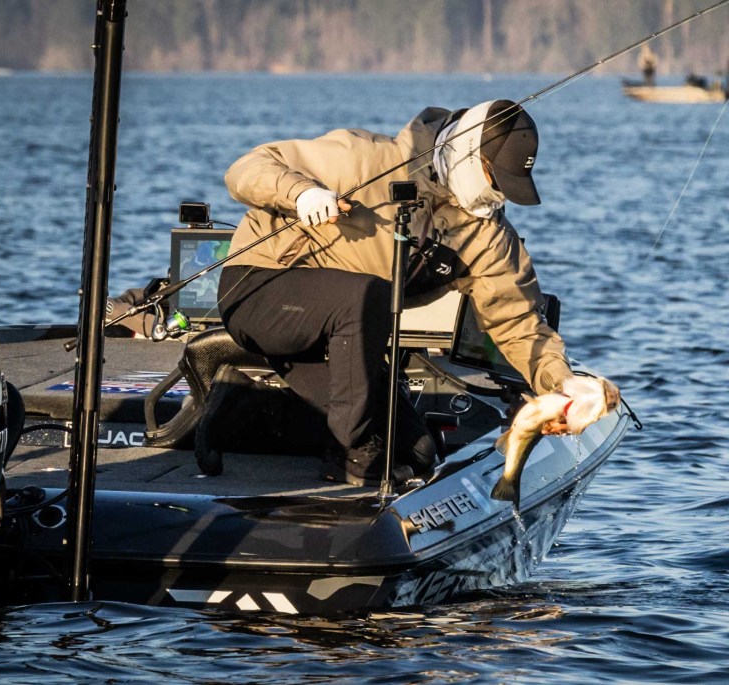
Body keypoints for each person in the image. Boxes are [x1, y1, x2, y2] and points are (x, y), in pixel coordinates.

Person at [215, 99, 598, 485]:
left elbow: (519, 323)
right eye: (494, 178)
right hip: (260, 290)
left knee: (417, 452)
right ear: (467, 153)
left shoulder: (487, 237)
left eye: (505, 186)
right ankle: (350, 452)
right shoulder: (367, 159)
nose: (497, 193)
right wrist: (301, 193)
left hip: (340, 337)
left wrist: (562, 386)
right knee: (368, 297)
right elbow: (246, 168)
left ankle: (245, 408)